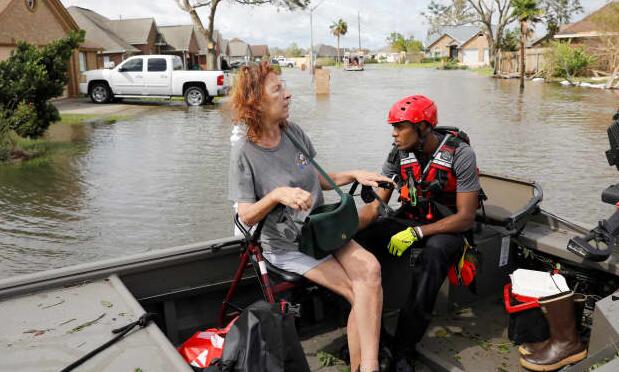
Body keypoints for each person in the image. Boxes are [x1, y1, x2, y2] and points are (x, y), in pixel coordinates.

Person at [227, 61, 391, 372]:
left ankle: (366, 367)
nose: (288, 95)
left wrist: (353, 173)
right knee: (359, 291)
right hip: (287, 245)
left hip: (320, 230)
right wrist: (277, 195)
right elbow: (246, 216)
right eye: (278, 90)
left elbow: (315, 178)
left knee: (371, 270)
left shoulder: (294, 133)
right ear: (255, 102)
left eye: (284, 87)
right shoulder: (244, 152)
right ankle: (367, 367)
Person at [356, 95, 481, 371]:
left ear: (423, 127)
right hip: (410, 221)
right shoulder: (397, 154)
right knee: (359, 242)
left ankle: (403, 350)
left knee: (433, 256)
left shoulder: (461, 155)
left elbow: (466, 217)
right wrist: (344, 230)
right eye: (393, 127)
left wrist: (418, 234)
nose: (394, 133)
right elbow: (377, 205)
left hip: (448, 228)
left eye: (400, 127)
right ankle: (376, 342)